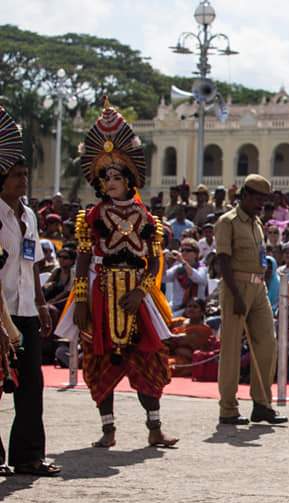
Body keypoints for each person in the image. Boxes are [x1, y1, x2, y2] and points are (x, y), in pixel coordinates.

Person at [54, 99, 178, 449]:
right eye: (104, 176)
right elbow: (81, 258)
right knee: (99, 360)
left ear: (129, 179)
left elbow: (153, 261)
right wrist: (78, 300)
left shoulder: (146, 219)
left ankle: (154, 428)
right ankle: (108, 431)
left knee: (149, 358)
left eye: (116, 176)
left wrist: (141, 291)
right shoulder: (92, 217)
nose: (110, 181)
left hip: (135, 294)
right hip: (101, 292)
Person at [0, 105, 57, 476]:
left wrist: (41, 304)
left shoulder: (30, 215)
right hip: (0, 310)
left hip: (26, 310)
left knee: (31, 386)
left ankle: (28, 456)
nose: (23, 181)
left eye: (25, 174)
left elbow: (32, 261)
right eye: (17, 175)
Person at [214, 173, 288, 426]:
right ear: (245, 195)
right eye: (257, 198)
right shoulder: (228, 221)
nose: (261, 204)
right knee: (232, 349)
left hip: (258, 288)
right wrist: (235, 295)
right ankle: (228, 408)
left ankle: (262, 404)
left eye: (264, 200)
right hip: (236, 286)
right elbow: (222, 260)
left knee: (268, 344)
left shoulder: (257, 224)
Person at [168, 299, 217, 377]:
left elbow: (180, 341)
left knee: (165, 368)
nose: (191, 309)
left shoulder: (204, 330)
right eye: (189, 306)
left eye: (195, 307)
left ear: (202, 312)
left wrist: (170, 339)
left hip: (188, 362)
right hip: (173, 356)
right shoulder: (179, 321)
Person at [164, 238, 207, 316]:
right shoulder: (178, 268)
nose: (184, 253)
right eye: (182, 250)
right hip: (176, 309)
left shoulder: (202, 268)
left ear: (196, 254)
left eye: (188, 250)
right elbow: (164, 278)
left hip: (195, 311)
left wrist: (183, 262)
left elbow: (198, 278)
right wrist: (163, 261)